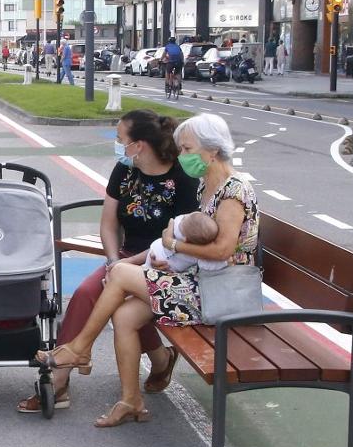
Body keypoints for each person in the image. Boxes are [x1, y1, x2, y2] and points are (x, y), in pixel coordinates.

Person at [35, 113, 258, 428]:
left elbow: (222, 250)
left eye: (187, 149)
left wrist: (173, 246)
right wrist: (170, 250)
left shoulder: (234, 191)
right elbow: (192, 238)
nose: (181, 156)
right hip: (197, 282)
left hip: (217, 294)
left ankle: (78, 349)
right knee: (124, 315)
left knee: (121, 275)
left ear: (212, 151)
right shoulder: (209, 188)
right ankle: (131, 400)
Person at [17, 109, 199, 414]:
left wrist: (123, 269)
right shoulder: (124, 171)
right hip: (127, 258)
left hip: (168, 262)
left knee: (111, 296)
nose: (117, 145)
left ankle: (61, 377)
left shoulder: (182, 177)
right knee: (88, 293)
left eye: (120, 139)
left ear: (139, 145)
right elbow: (108, 224)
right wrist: (115, 260)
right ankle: (66, 377)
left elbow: (180, 240)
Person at [146, 212, 225, 273]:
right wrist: (224, 263)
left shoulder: (178, 228)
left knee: (145, 269)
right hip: (169, 266)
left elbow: (172, 221)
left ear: (185, 240)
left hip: (158, 252)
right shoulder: (199, 255)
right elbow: (208, 265)